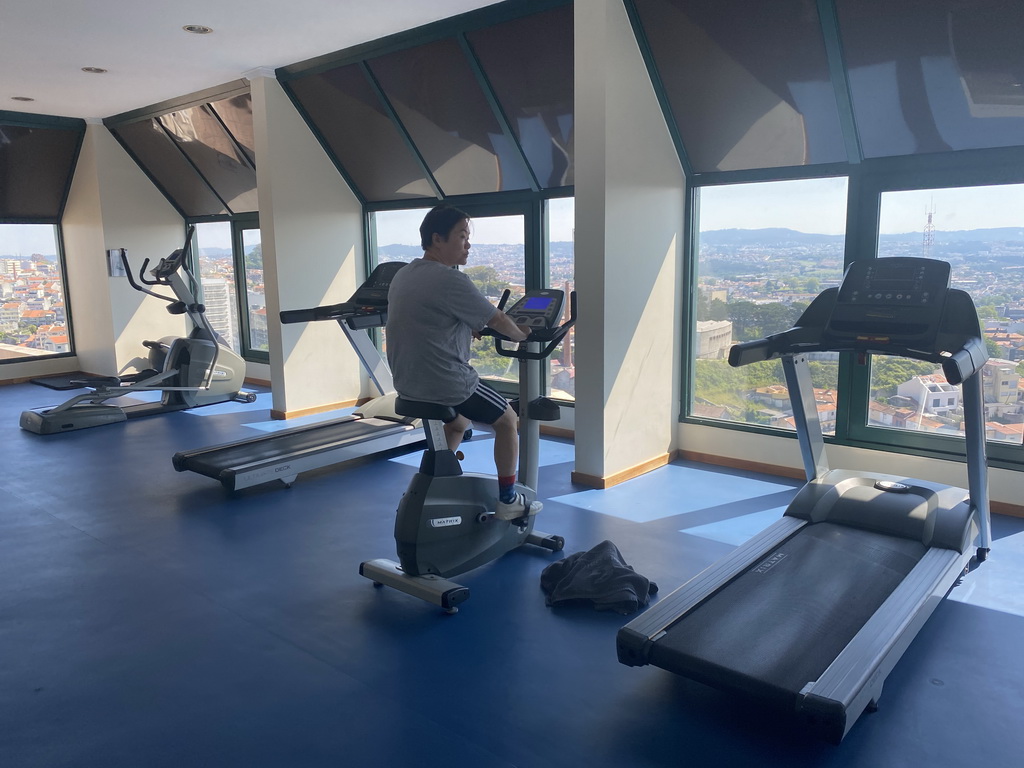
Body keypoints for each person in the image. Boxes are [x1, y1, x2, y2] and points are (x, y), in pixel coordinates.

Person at [386, 205, 542, 520]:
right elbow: (499, 319)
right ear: (437, 239)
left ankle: (432, 488)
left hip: (407, 383)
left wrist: (463, 326)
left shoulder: (405, 274)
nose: (468, 244)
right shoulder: (449, 279)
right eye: (462, 236)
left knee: (457, 423)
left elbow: (426, 320)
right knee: (508, 420)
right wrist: (521, 335)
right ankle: (508, 500)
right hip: (446, 383)